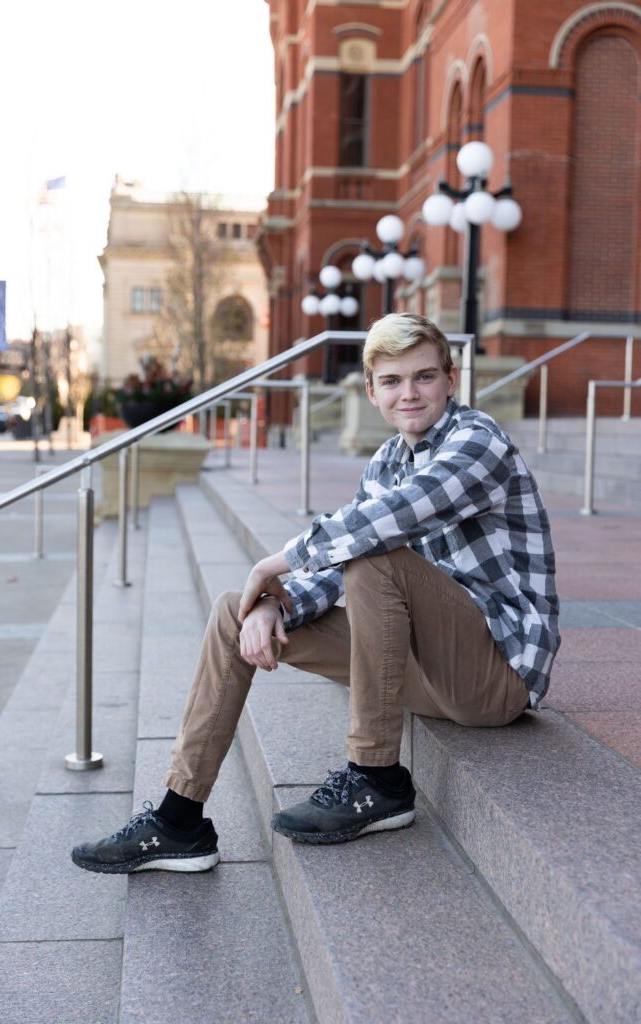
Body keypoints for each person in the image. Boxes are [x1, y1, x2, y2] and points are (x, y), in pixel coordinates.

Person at [72, 313, 560, 874]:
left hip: (496, 677)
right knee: (235, 610)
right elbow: (334, 564)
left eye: (424, 377)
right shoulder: (387, 461)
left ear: (451, 380)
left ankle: (376, 777)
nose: (410, 393)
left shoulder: (479, 442)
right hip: (428, 671)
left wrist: (277, 562)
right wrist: (274, 603)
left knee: (376, 555)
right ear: (372, 391)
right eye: (393, 381)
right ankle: (179, 820)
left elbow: (385, 522)